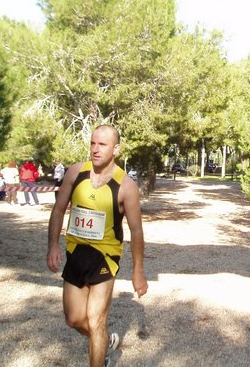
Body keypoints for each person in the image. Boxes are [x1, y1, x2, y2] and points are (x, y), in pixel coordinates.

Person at [47, 125, 148, 367]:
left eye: (102, 145)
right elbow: (59, 209)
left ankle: (99, 358)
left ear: (116, 149)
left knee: (96, 320)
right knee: (73, 319)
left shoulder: (126, 186)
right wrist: (53, 245)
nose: (95, 149)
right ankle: (105, 343)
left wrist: (138, 271)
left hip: (105, 257)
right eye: (93, 143)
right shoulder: (75, 173)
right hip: (76, 253)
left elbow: (136, 231)